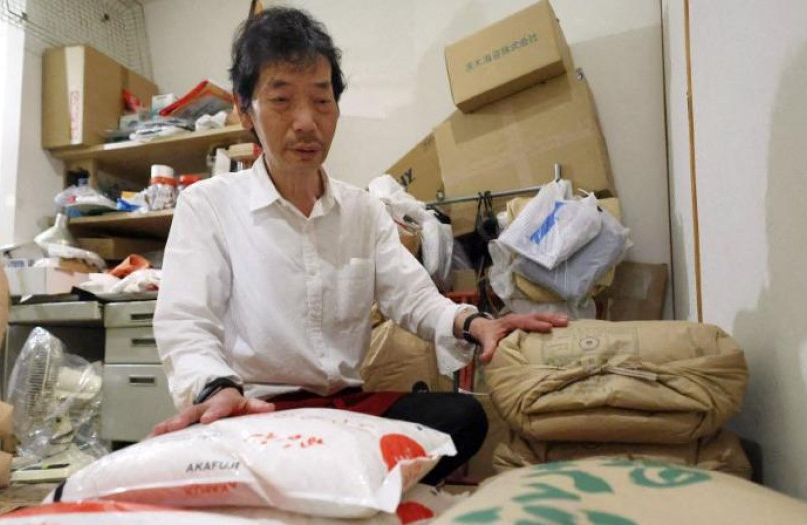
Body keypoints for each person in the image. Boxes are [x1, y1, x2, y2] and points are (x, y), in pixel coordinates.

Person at [151, 6, 567, 484]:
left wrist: (476, 324)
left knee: (461, 420)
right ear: (246, 111)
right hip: (255, 410)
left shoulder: (363, 210)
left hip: (344, 412)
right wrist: (214, 388)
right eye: (282, 100)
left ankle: (322, 483)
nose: (306, 122)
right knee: (217, 457)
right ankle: (336, 481)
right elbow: (187, 323)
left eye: (322, 101)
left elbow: (412, 298)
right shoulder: (208, 205)